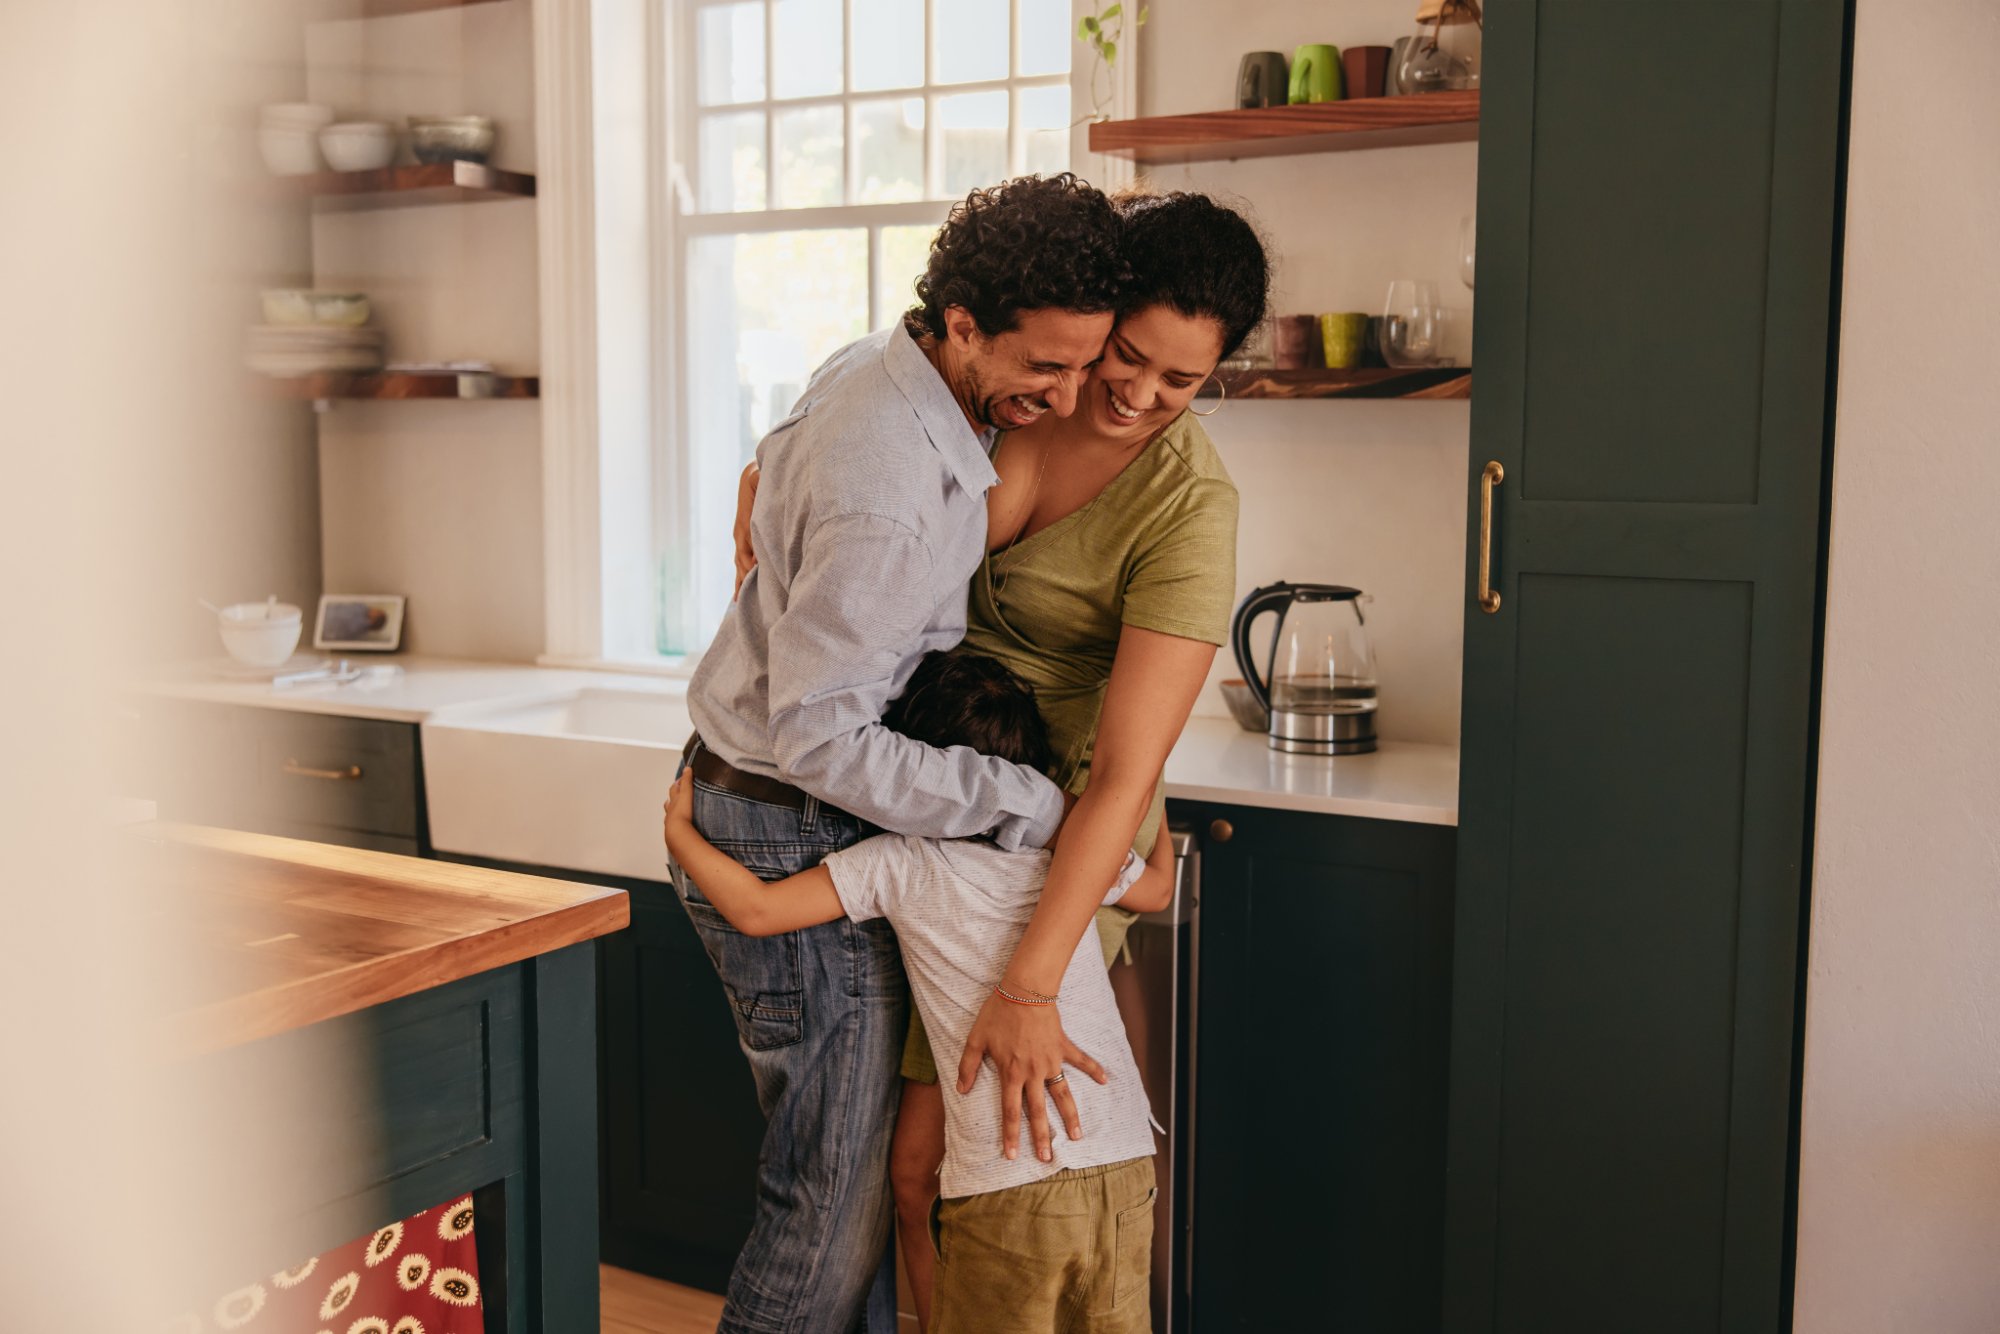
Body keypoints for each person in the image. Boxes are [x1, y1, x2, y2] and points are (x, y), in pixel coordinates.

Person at [673, 173, 1129, 1334]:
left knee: (863, 1193)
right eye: (1045, 365)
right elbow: (819, 734)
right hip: (790, 809)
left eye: (1086, 363)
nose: (1068, 391)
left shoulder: (882, 363)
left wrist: (762, 482)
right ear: (963, 324)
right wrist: (1008, 795)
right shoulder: (891, 491)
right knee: (827, 1210)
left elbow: (781, 443)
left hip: (777, 799)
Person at [885, 189, 1270, 1328]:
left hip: (1035, 847)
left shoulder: (1187, 506)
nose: (1139, 396)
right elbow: (865, 433)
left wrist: (1032, 983)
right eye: (1129, 356)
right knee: (900, 1182)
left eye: (1182, 382)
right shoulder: (1015, 386)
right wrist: (774, 472)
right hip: (912, 795)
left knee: (947, 1175)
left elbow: (1123, 772)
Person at [665, 651, 1175, 1334]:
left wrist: (681, 834)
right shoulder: (1070, 845)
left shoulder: (905, 862)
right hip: (1125, 1167)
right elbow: (1159, 887)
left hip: (1008, 1188)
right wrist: (1141, 785)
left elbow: (757, 910)